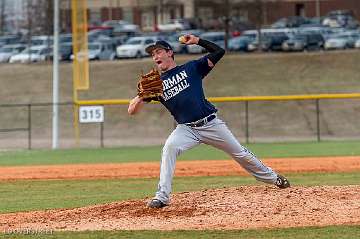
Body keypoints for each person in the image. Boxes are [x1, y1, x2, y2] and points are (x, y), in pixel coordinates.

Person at [128, 35, 290, 209]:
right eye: (153, 54)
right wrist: (140, 96)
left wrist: (198, 41)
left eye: (158, 51)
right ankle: (162, 197)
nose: (155, 56)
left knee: (240, 154)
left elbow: (219, 52)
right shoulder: (156, 84)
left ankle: (275, 178)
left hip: (211, 124)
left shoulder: (192, 68)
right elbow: (132, 111)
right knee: (169, 148)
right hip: (186, 129)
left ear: (170, 52)